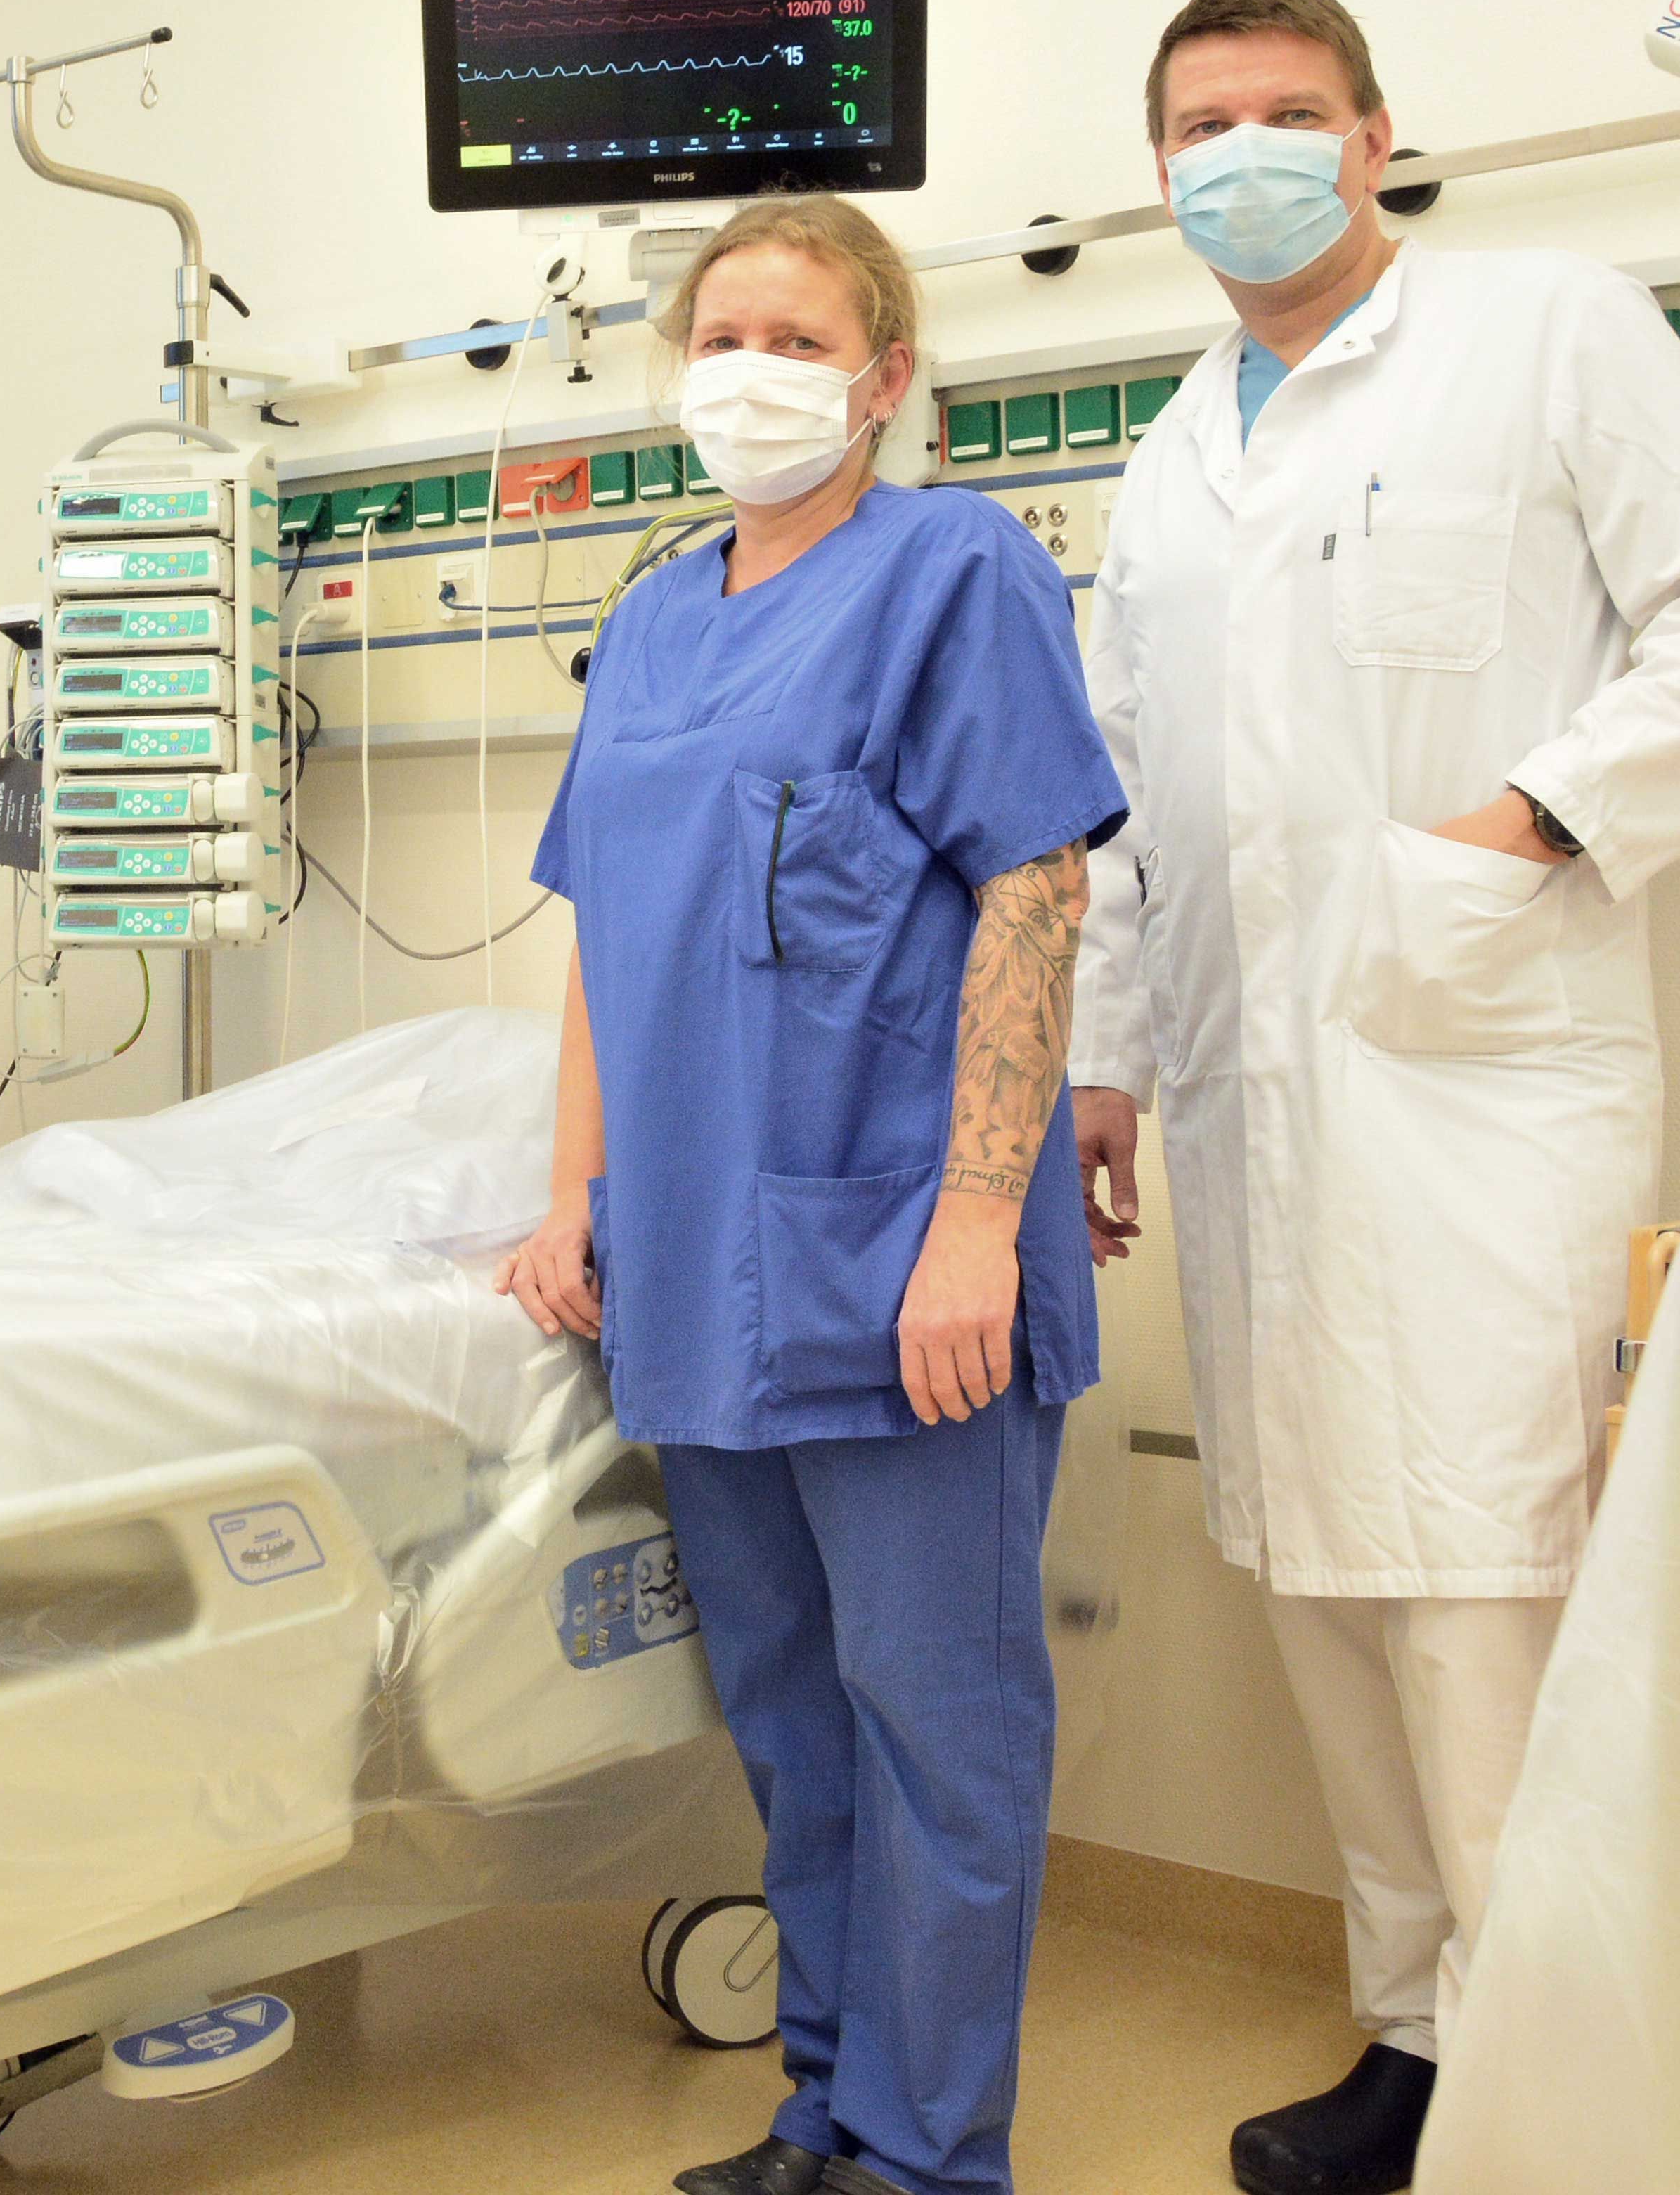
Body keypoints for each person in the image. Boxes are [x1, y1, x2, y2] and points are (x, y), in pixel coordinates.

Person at [1068, 0, 1680, 2195]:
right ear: (1157, 167)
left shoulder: (1542, 332)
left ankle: (1569, 2095)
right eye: (1195, 124)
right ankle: (1418, 2042)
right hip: (1261, 1112)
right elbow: (1128, 816)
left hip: (1477, 1077)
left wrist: (1532, 815)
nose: (1236, 153)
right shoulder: (1161, 468)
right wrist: (1097, 1074)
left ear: (1371, 136)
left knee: (1486, 1594)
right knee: (1320, 1591)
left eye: (1280, 111)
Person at [499, 195, 1128, 2195]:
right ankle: (825, 2110)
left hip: (898, 1262)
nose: (745, 368)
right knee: (785, 1719)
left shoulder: (951, 569)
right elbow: (604, 931)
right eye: (717, 331)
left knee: (936, 1734)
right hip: (696, 1263)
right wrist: (568, 1193)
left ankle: (929, 2157)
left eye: (795, 334)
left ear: (881, 380)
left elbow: (1034, 884)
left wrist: (969, 1231)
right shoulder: (662, 612)